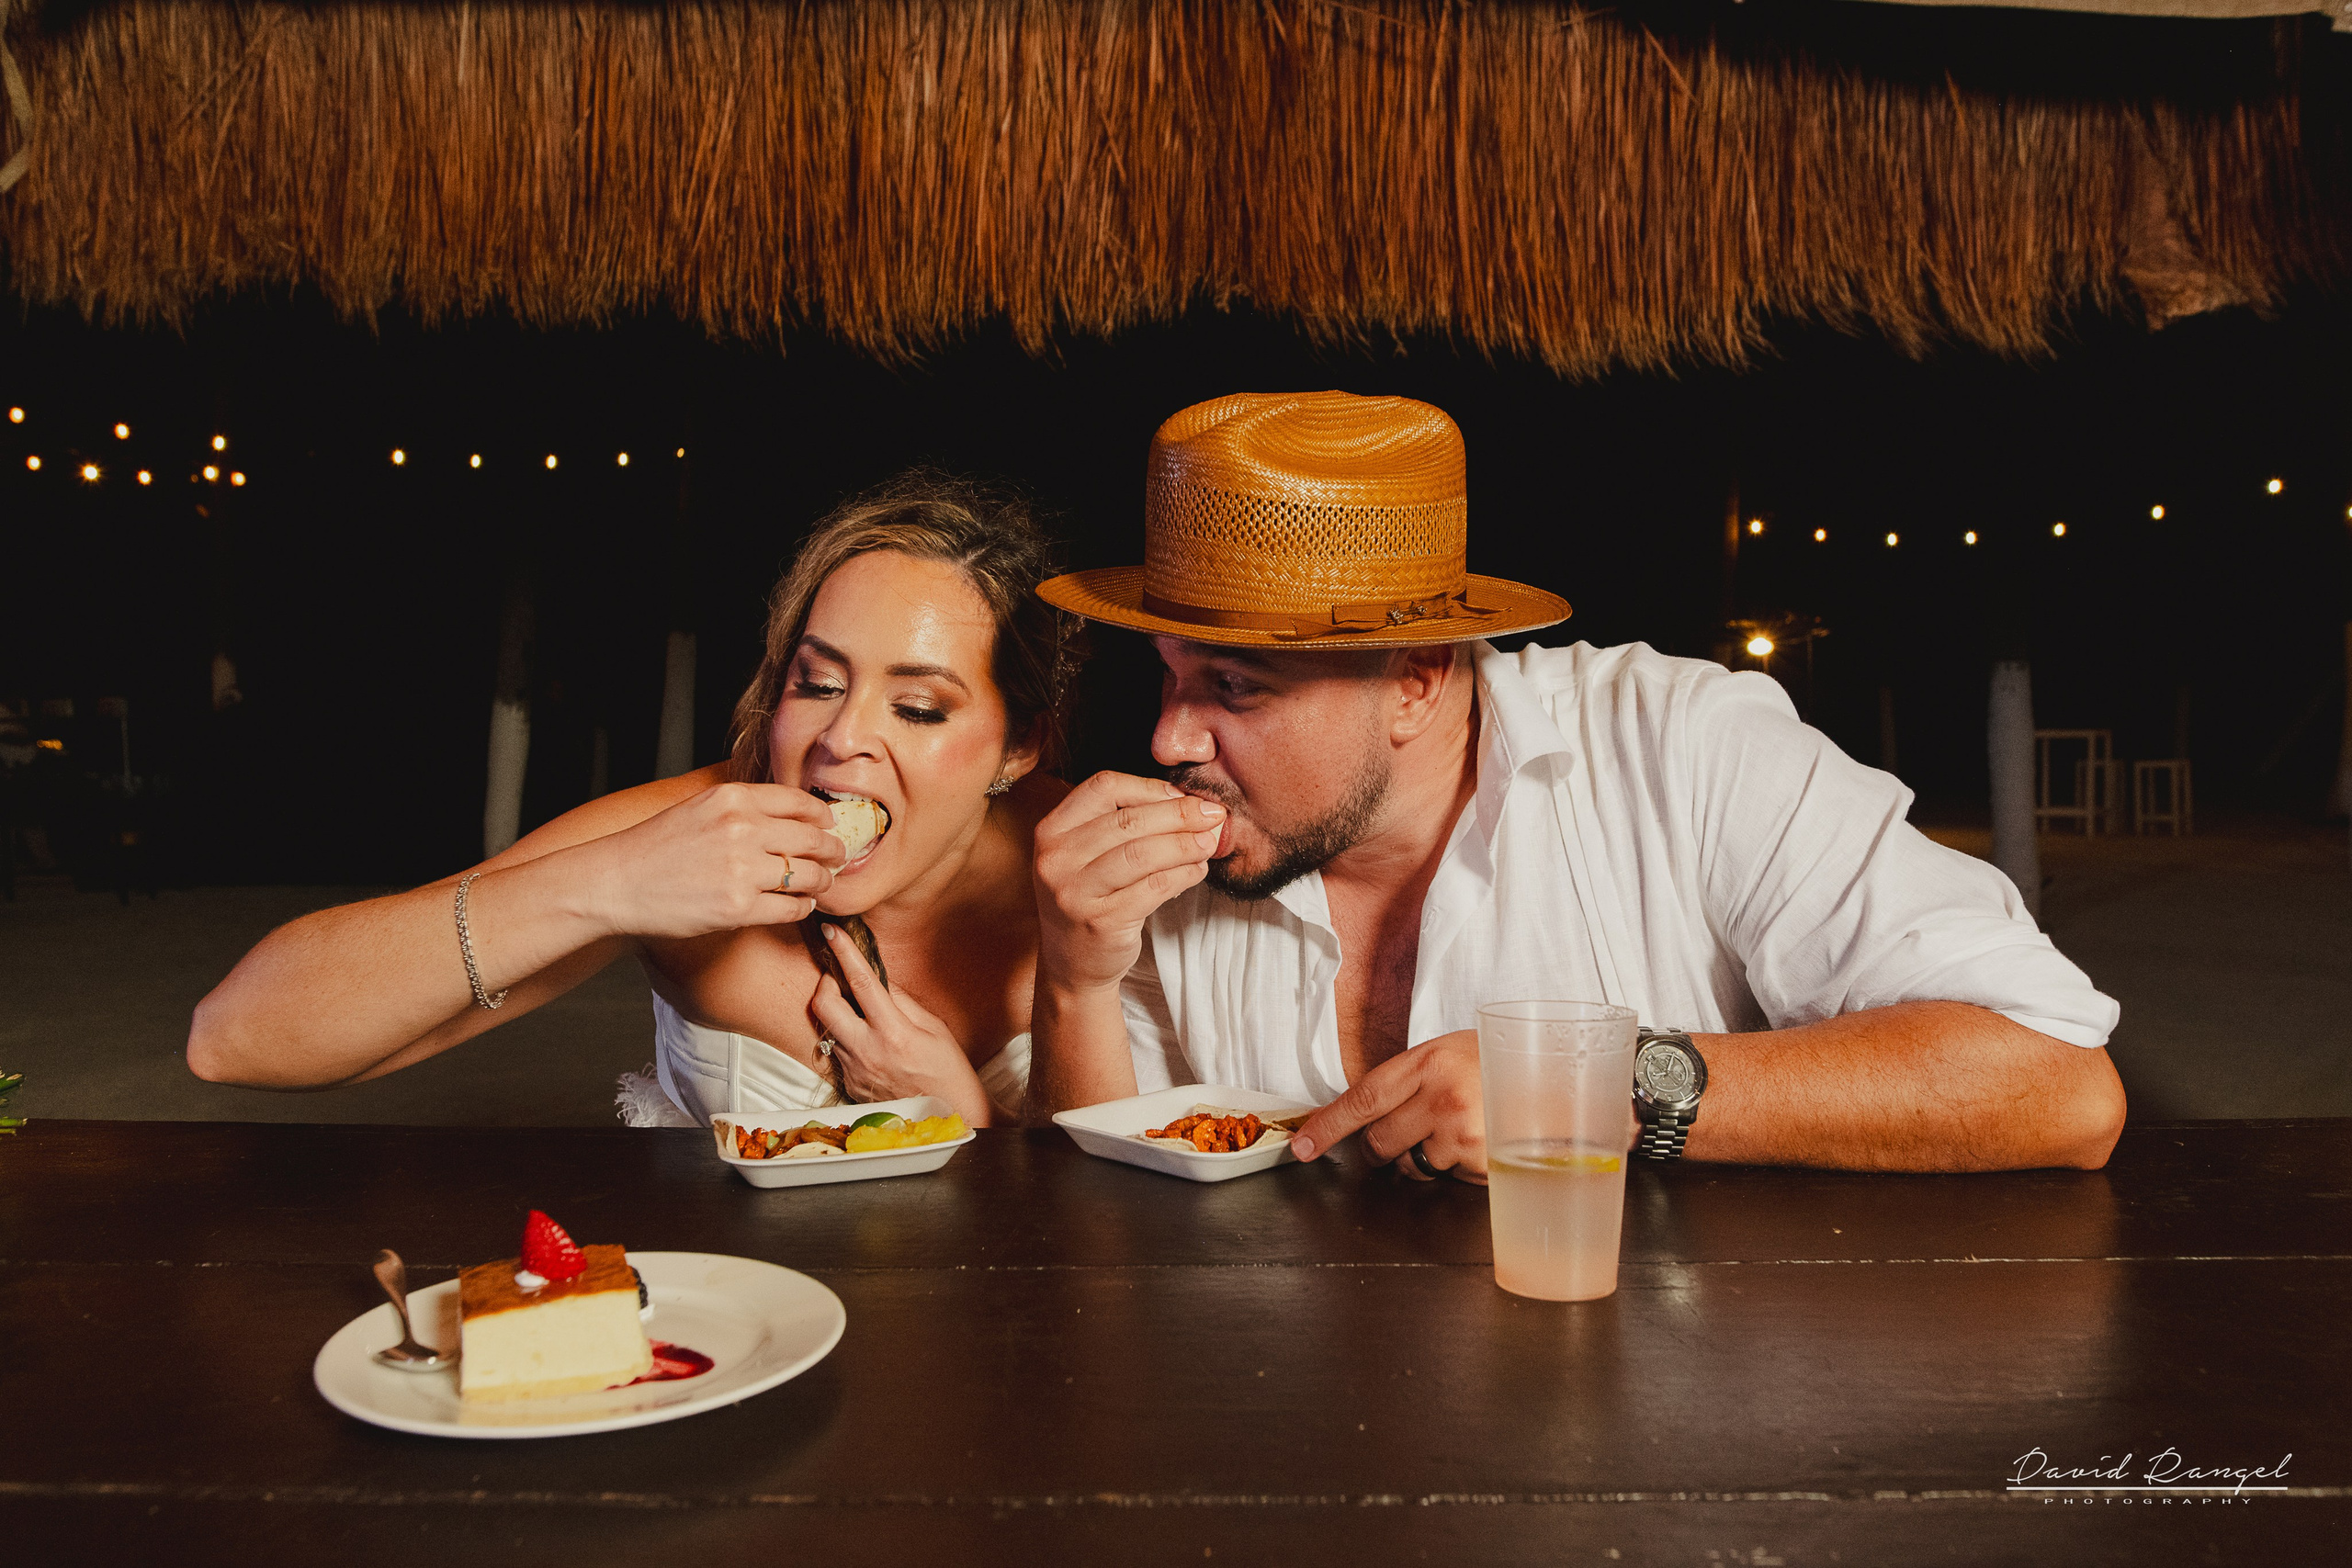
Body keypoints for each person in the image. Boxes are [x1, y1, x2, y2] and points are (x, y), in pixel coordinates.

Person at [1027, 391, 2126, 1179]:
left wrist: (1598, 1084)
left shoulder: (1683, 745)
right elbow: (1113, 1232)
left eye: (1234, 687)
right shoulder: (1177, 866)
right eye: (1168, 679)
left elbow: (2059, 1086)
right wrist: (1076, 981)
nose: (1171, 739)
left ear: (1414, 680)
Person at [188, 472, 1081, 1128]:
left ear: (1021, 744)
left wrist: (969, 1121)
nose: (841, 738)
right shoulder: (683, 832)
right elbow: (233, 1038)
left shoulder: (1079, 866)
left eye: (917, 706)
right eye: (816, 684)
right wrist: (609, 881)